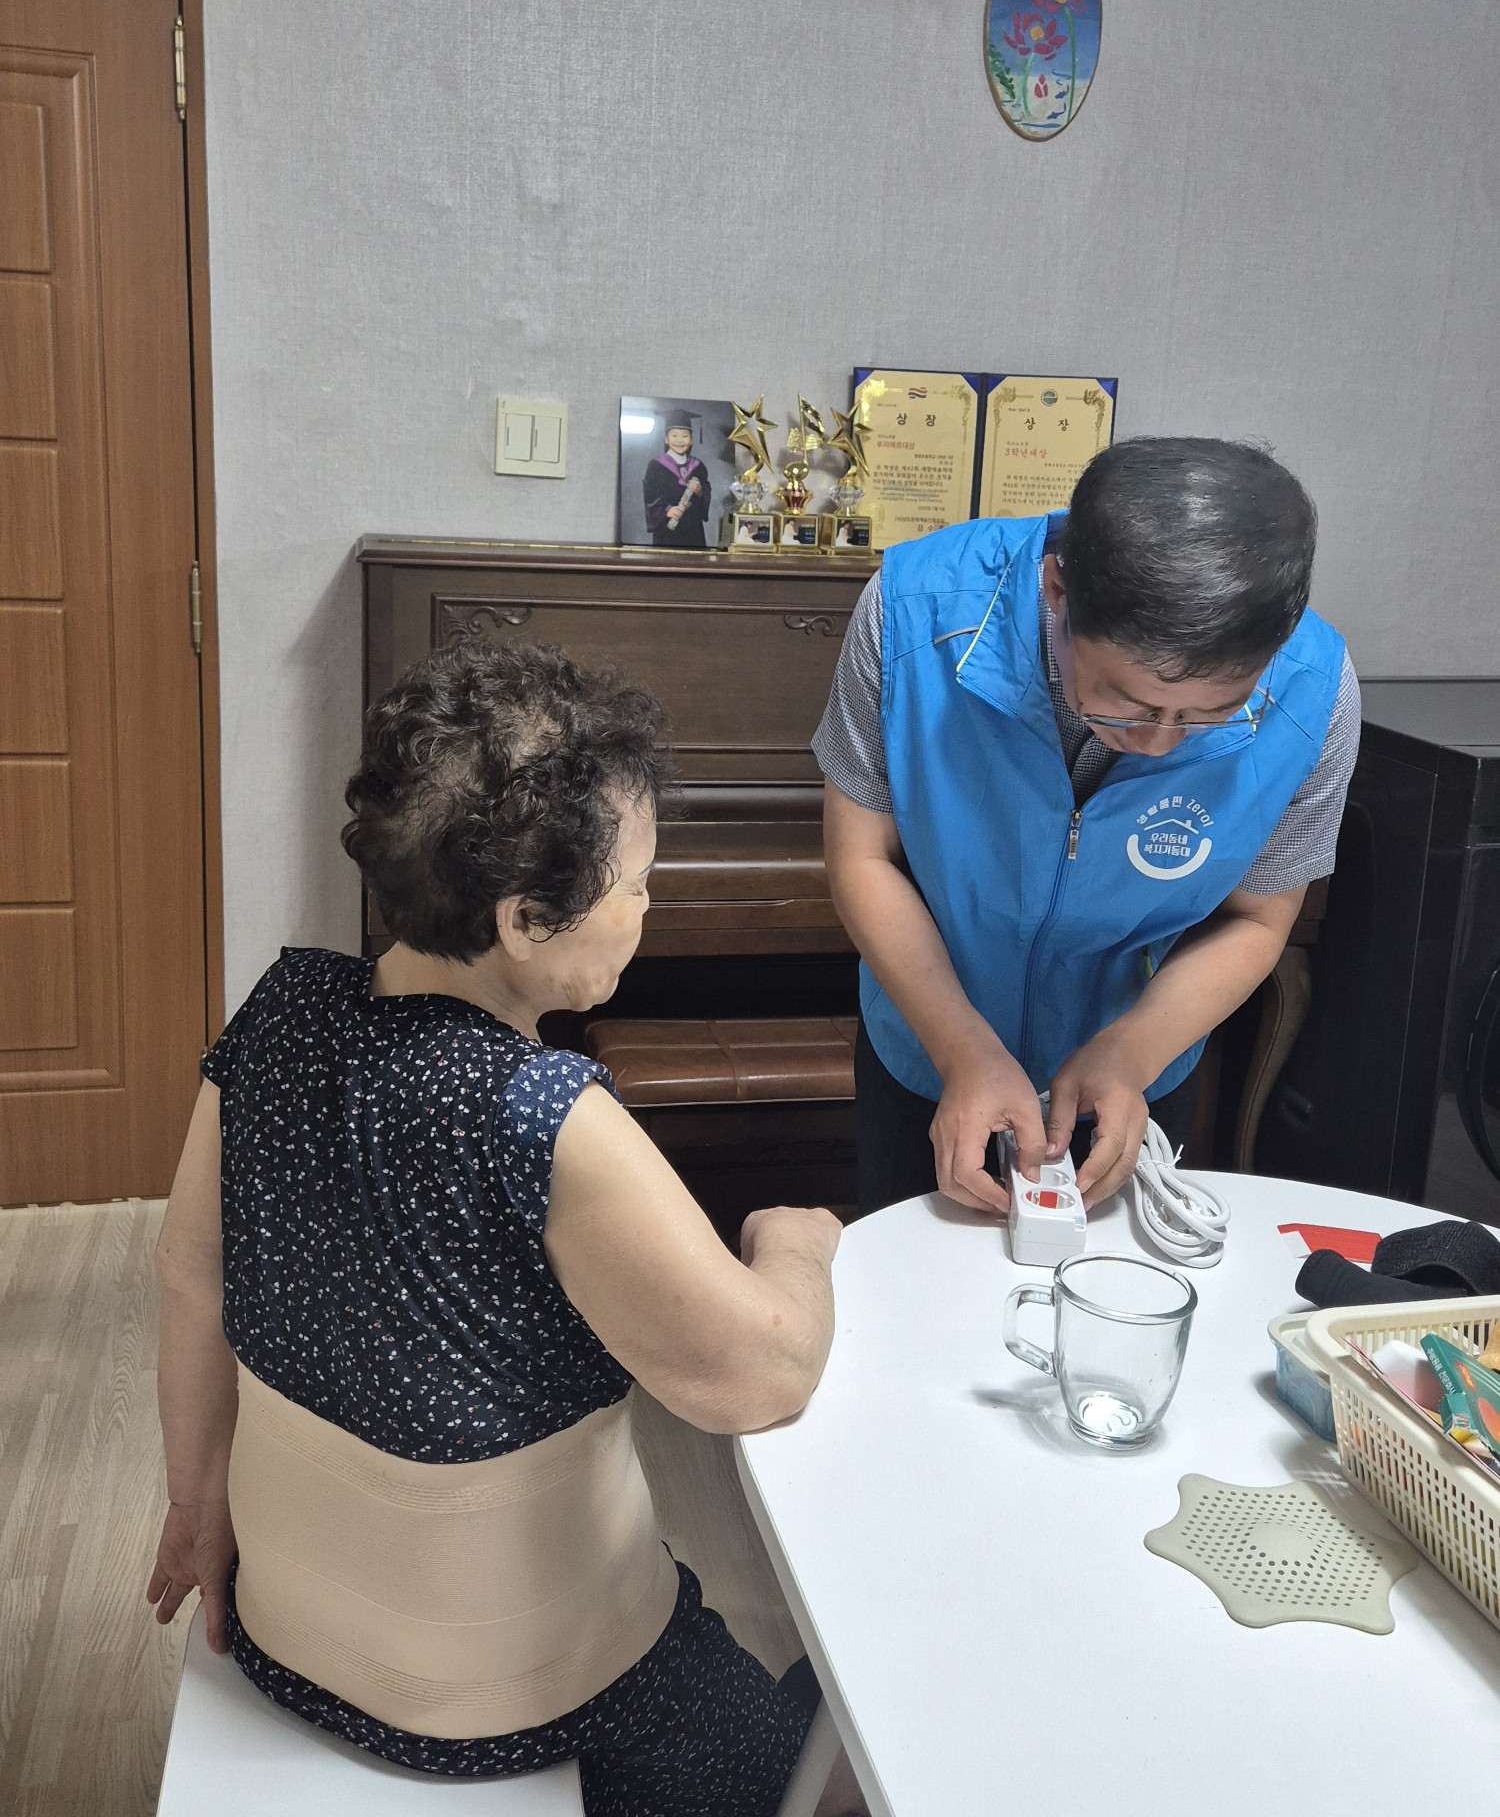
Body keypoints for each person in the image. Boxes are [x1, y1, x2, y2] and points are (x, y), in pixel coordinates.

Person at [148, 640, 860, 1817]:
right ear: (527, 918)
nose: (647, 906)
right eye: (639, 882)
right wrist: (800, 1238)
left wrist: (195, 1505)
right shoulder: (543, 1112)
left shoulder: (281, 1009)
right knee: (832, 1768)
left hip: (280, 1641)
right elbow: (762, 1375)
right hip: (526, 1702)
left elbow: (189, 1271)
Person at [814, 437, 1359, 1216]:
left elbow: (1260, 917)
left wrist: (1132, 1052)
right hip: (928, 1040)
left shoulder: (1316, 692)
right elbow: (862, 859)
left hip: (1136, 1065)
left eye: (1207, 716)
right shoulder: (911, 612)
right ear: (1057, 589)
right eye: (1125, 703)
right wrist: (962, 1047)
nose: (1160, 742)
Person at [642, 411, 712, 548]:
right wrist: (666, 510)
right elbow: (650, 495)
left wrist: (700, 491)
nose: (679, 440)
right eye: (674, 435)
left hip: (693, 528)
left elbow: (706, 491)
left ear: (691, 440)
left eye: (685, 436)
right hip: (667, 527)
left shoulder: (698, 466)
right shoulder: (656, 465)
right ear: (666, 439)